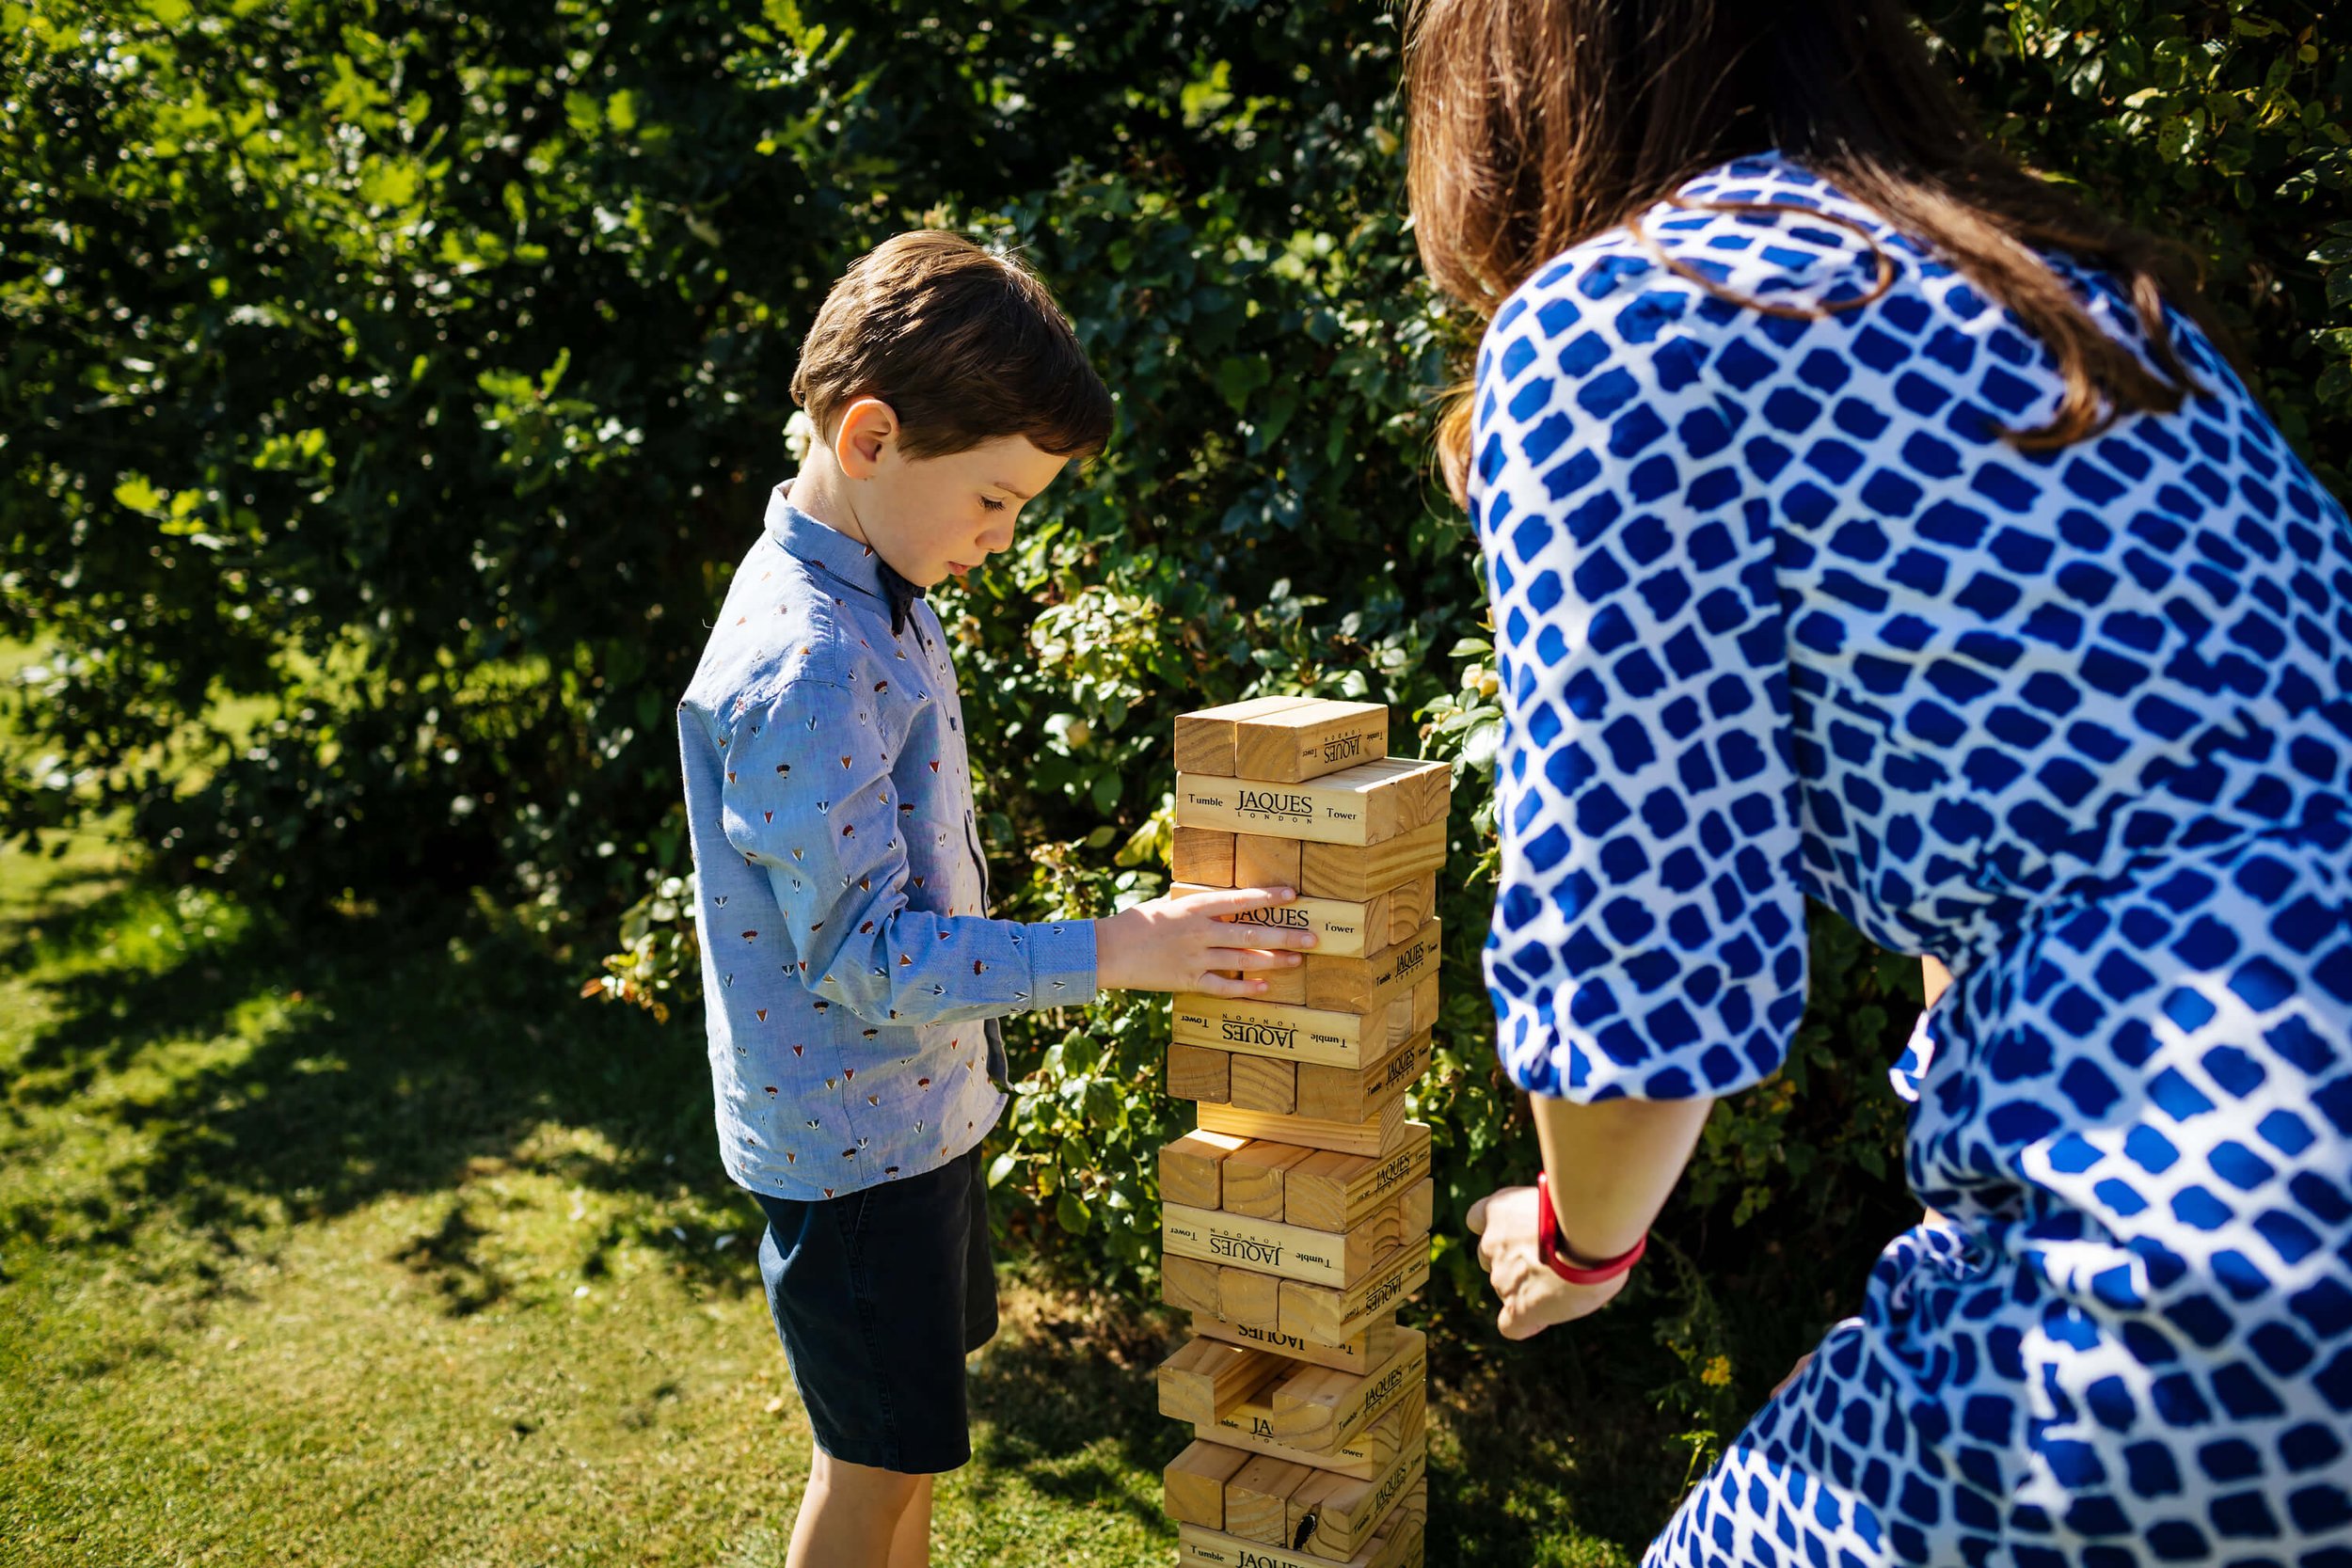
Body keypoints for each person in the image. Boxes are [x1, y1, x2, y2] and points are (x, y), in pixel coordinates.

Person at [1406, 1, 2352, 1561]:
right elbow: (2053, 767)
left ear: (1514, 90)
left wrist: (1580, 1243)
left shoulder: (1623, 322)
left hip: (2233, 1222)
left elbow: (1641, 969)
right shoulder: (2064, 298)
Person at [675, 231, 1317, 1568]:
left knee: (899, 1460)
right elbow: (865, 958)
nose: (1003, 537)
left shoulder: (880, 591)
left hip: (912, 1120)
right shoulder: (803, 660)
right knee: (868, 1474)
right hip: (857, 1155)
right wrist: (1120, 949)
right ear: (868, 438)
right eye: (996, 499)